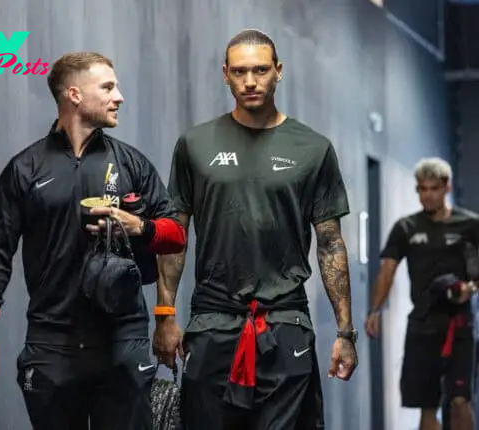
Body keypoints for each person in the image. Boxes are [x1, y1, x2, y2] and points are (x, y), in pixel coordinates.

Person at [0, 51, 186, 430]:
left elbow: (175, 235)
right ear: (74, 94)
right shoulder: (25, 168)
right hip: (52, 343)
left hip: (123, 341)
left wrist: (139, 227)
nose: (119, 97)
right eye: (108, 87)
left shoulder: (131, 163)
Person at [153, 29, 358, 430]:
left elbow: (330, 242)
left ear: (278, 72)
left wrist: (345, 332)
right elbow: (174, 235)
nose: (250, 81)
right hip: (212, 321)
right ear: (225, 74)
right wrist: (164, 315)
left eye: (261, 70)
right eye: (241, 71)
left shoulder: (313, 148)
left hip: (285, 322)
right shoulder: (194, 143)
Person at [365, 157, 478, 430]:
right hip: (422, 325)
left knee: (460, 401)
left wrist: (469, 289)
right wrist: (375, 310)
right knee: (427, 406)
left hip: (458, 324)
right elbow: (387, 271)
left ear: (446, 188)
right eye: (422, 189)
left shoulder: (470, 224)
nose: (427, 195)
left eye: (433, 189)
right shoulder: (406, 228)